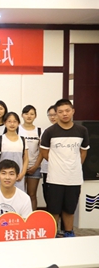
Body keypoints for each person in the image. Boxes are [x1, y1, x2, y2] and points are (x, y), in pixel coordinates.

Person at [40, 99, 90, 237]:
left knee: (69, 208)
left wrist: (74, 164)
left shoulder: (82, 130)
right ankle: (52, 233)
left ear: (73, 111)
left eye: (67, 111)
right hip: (55, 178)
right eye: (60, 112)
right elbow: (44, 152)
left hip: (74, 177)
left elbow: (83, 151)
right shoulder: (50, 132)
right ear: (56, 114)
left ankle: (69, 233)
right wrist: (57, 163)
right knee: (54, 209)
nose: (64, 114)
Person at [0, 112, 28, 191]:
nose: (12, 124)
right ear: (5, 123)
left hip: (18, 176)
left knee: (18, 196)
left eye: (14, 121)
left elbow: (26, 159)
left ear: (18, 123)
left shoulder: (22, 140)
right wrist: (3, 171)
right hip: (3, 176)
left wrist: (22, 173)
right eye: (9, 121)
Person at [20, 105, 43, 210]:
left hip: (34, 167)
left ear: (35, 116)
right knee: (20, 194)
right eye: (26, 113)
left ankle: (32, 216)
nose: (29, 116)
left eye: (32, 114)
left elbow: (42, 151)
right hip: (20, 167)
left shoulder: (39, 131)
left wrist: (36, 166)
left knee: (32, 194)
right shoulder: (17, 129)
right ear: (22, 115)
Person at [40, 105, 57, 206]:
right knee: (49, 196)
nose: (52, 117)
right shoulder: (47, 132)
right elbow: (43, 151)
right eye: (50, 115)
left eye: (54, 114)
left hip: (63, 170)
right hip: (48, 168)